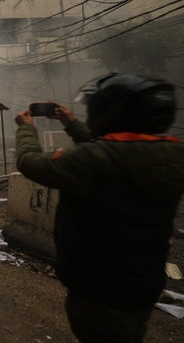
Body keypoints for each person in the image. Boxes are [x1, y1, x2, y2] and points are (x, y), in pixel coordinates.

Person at [14, 73, 184, 343]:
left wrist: (25, 129)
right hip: (143, 282)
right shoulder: (172, 156)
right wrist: (71, 124)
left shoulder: (92, 160)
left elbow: (29, 162)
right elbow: (112, 149)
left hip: (98, 286)